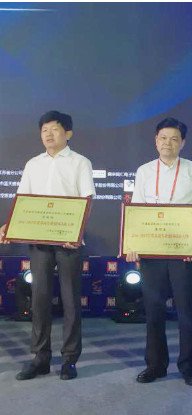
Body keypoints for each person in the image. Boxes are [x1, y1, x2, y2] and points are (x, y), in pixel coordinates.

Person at [0, 110, 95, 381]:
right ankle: (40, 358)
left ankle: (69, 359)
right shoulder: (33, 164)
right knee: (39, 298)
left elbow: (87, 200)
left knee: (70, 300)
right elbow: (23, 200)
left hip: (68, 242)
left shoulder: (80, 162)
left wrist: (74, 232)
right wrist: (9, 226)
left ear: (68, 133)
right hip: (40, 241)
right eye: (44, 130)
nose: (48, 134)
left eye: (54, 129)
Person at [126, 117, 192, 386]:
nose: (168, 143)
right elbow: (137, 211)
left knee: (187, 311)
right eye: (163, 138)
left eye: (174, 139)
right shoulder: (144, 171)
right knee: (153, 311)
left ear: (182, 143)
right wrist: (133, 244)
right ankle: (155, 366)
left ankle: (190, 367)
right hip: (152, 253)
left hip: (183, 252)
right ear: (156, 141)